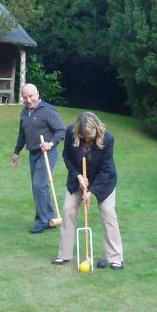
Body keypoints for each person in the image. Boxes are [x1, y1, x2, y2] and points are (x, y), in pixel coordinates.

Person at [53, 111, 124, 270]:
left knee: (108, 213)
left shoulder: (108, 139)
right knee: (68, 210)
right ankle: (64, 255)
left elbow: (105, 169)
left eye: (90, 138)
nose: (86, 140)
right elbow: (66, 157)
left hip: (103, 182)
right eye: (84, 137)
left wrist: (90, 192)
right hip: (78, 179)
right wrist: (78, 176)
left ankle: (116, 258)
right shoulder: (70, 133)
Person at [11, 83, 66, 233]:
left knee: (39, 185)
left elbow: (61, 130)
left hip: (48, 153)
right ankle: (49, 217)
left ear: (37, 94)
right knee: (40, 187)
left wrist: (50, 143)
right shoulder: (24, 113)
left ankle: (41, 221)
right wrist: (17, 152)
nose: (28, 100)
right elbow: (22, 134)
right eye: (25, 97)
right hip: (33, 154)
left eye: (31, 96)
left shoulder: (47, 110)